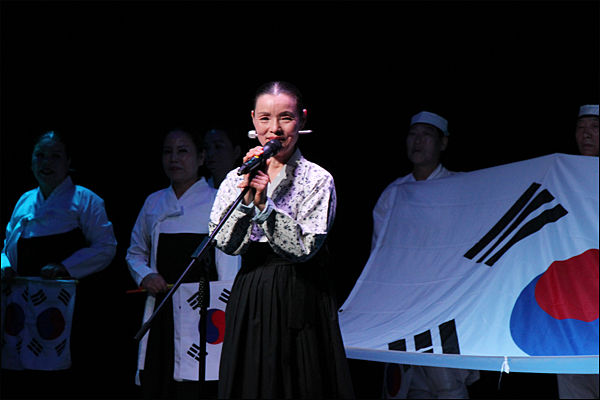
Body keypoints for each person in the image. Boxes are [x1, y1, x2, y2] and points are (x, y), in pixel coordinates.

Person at [209, 81, 354, 399]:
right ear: (253, 120)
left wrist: (265, 207)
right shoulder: (237, 178)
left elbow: (304, 247)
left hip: (299, 291)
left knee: (298, 383)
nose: (274, 129)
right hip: (251, 291)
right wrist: (246, 202)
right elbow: (225, 243)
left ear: (302, 120)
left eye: (285, 118)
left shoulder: (317, 179)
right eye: (264, 118)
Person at [1, 130, 117, 397]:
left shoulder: (86, 199)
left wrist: (66, 267)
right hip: (23, 307)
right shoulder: (25, 201)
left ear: (68, 161)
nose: (46, 163)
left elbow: (106, 247)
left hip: (66, 310)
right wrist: (5, 265)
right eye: (40, 155)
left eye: (55, 156)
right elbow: (6, 246)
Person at [126, 128, 240, 400]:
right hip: (162, 309)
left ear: (201, 158)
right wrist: (145, 275)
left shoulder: (217, 201)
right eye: (168, 152)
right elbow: (135, 252)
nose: (174, 158)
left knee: (197, 383)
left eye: (183, 151)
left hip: (202, 313)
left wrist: (224, 310)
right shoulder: (153, 202)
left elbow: (229, 268)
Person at [373, 111, 480, 399]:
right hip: (402, 306)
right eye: (413, 134)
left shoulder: (463, 187)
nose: (418, 141)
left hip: (444, 305)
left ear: (443, 143)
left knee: (447, 385)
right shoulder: (395, 193)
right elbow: (379, 256)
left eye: (427, 135)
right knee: (409, 387)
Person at [555, 104, 599, 400]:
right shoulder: (560, 177)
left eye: (595, 127)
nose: (587, 134)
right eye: (581, 127)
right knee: (574, 383)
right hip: (572, 301)